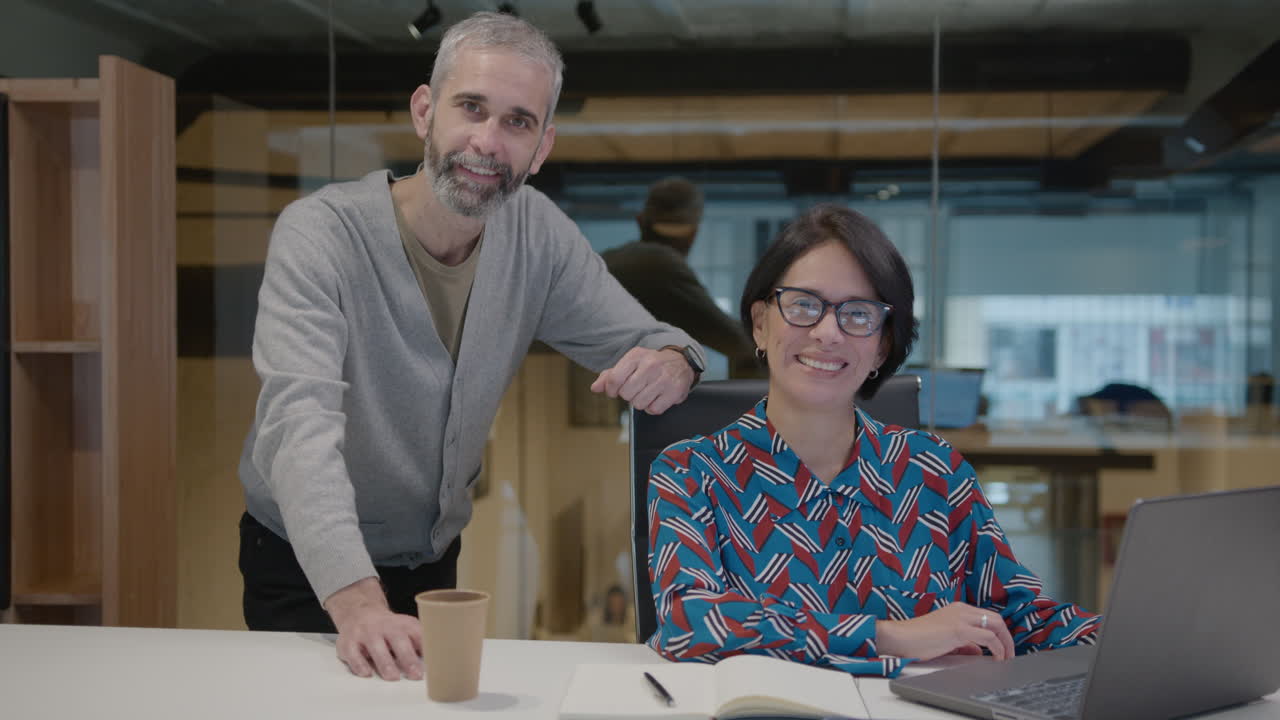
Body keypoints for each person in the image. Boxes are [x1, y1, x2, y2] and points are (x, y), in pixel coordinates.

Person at [238, 12, 705, 682]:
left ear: (542, 147)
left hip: (432, 563)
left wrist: (672, 364)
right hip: (308, 567)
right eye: (472, 108)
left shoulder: (536, 234)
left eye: (518, 122)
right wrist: (358, 603)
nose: (488, 142)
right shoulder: (320, 235)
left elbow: (655, 340)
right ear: (425, 112)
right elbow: (299, 424)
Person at [646, 204, 1100, 677]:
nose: (827, 332)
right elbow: (690, 623)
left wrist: (1137, 637)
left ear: (882, 345)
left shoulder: (935, 471)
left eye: (858, 314)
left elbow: (1018, 619)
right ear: (761, 322)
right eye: (803, 305)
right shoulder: (691, 471)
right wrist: (891, 635)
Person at [602, 177, 755, 372]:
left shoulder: (608, 261)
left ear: (640, 222)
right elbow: (738, 343)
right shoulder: (658, 265)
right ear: (694, 233)